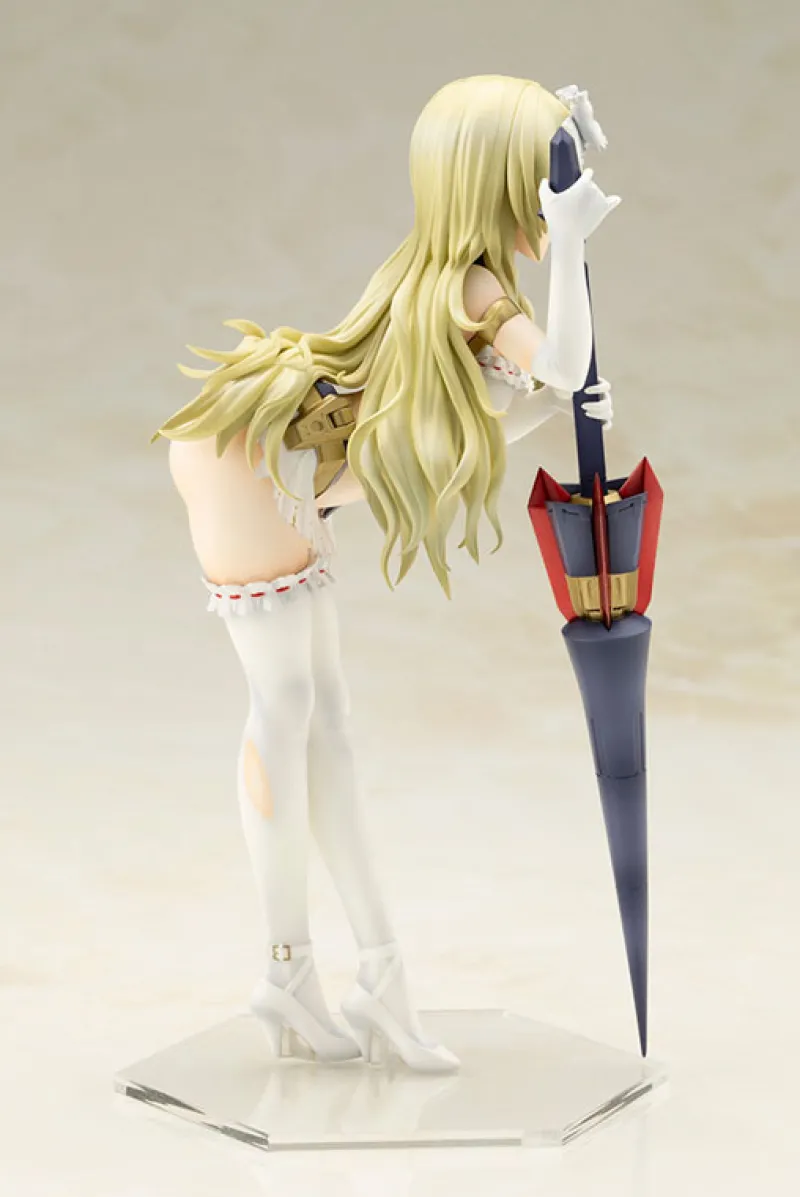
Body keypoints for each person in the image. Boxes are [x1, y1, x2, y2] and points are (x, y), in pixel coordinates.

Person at [155, 75, 619, 1073]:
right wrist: (575, 242)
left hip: (273, 467)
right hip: (253, 460)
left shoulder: (447, 280)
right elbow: (561, 364)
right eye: (545, 177)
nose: (556, 195)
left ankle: (367, 975)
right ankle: (293, 967)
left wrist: (551, 403)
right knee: (289, 714)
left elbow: (478, 413)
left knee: (325, 723)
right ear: (500, 182)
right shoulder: (472, 289)